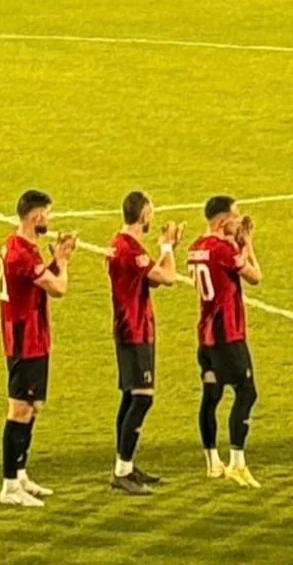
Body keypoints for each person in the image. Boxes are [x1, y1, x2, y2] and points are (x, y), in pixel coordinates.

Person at [0, 190, 77, 507]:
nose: (50, 219)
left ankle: (19, 474)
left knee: (32, 407)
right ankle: (9, 486)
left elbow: (40, 282)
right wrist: (63, 262)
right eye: (47, 213)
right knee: (20, 409)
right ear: (36, 216)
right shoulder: (22, 254)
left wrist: (56, 260)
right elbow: (58, 288)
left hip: (34, 338)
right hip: (25, 340)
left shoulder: (20, 246)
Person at [106, 191, 182, 495]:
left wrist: (166, 250)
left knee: (130, 397)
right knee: (142, 397)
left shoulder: (120, 244)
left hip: (130, 329)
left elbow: (151, 279)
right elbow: (168, 277)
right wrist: (167, 247)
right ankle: (122, 471)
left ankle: (124, 464)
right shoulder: (130, 250)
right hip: (135, 330)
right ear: (144, 216)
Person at [187, 195, 263, 487]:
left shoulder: (196, 248)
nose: (239, 220)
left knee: (211, 395)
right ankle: (237, 464)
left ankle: (213, 462)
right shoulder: (223, 250)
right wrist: (247, 243)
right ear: (222, 221)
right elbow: (255, 276)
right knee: (247, 392)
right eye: (235, 216)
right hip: (228, 335)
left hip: (205, 335)